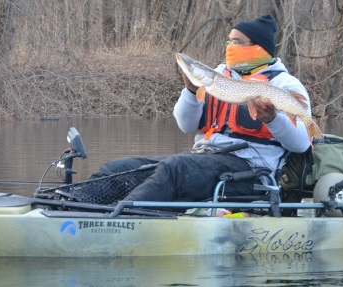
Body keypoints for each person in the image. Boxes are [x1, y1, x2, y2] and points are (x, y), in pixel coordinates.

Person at [89, 14, 312, 203]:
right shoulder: (218, 75)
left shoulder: (285, 85)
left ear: (258, 47)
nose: (229, 47)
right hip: (205, 158)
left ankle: (120, 219)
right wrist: (191, 92)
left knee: (175, 168)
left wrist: (273, 119)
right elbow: (186, 126)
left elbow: (302, 144)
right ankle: (74, 208)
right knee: (119, 168)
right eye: (229, 41)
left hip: (253, 173)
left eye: (237, 42)